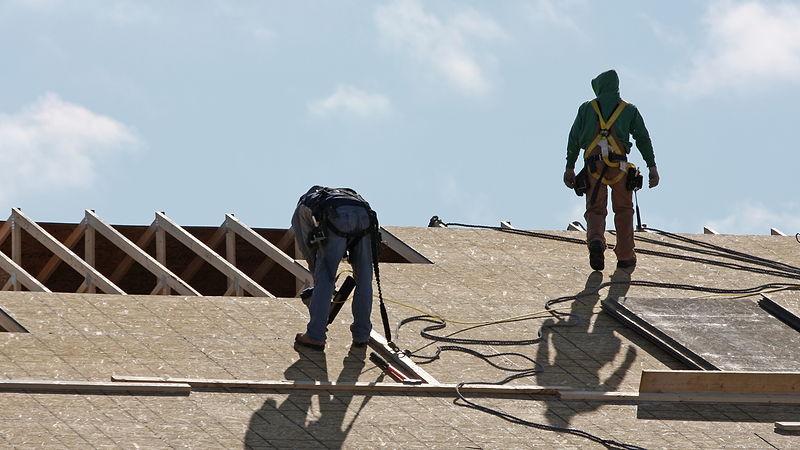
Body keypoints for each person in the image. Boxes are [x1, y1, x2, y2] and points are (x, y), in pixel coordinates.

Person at [563, 69, 660, 271]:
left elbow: (573, 138)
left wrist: (570, 167)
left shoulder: (586, 109)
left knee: (595, 210)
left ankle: (596, 240)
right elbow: (643, 138)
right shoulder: (629, 110)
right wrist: (652, 167)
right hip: (620, 168)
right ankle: (625, 256)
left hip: (593, 166)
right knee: (624, 210)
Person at [291, 186, 377, 351]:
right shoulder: (338, 195)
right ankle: (362, 336)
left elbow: (309, 251)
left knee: (326, 276)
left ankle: (315, 336)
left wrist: (321, 282)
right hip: (365, 215)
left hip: (337, 216)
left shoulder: (302, 208)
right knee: (364, 278)